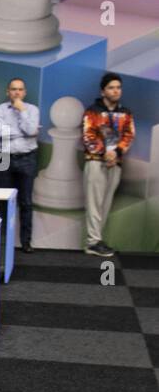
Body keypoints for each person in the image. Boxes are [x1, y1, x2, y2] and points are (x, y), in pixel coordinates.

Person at [82, 72, 135, 257]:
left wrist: (117, 152)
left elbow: (129, 135)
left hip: (116, 163)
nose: (116, 91)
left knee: (105, 203)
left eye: (118, 87)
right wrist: (105, 153)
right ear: (103, 91)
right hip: (96, 162)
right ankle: (92, 242)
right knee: (94, 203)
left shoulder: (125, 112)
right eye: (111, 87)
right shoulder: (92, 111)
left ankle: (97, 240)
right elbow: (88, 136)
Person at [0, 78, 40, 252]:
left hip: (27, 158)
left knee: (26, 202)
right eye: (13, 89)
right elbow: (0, 133)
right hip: (3, 158)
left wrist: (23, 112)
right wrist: (24, 133)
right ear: (8, 92)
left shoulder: (32, 110)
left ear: (24, 92)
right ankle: (0, 243)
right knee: (1, 202)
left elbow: (32, 131)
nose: (17, 92)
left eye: (20, 89)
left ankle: (26, 242)